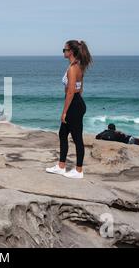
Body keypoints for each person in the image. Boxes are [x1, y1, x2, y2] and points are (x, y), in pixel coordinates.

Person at [46, 40, 93, 179]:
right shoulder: (78, 66)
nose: (63, 52)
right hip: (77, 103)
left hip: (74, 104)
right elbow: (81, 88)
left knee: (77, 138)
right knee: (62, 134)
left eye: (64, 50)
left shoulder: (73, 68)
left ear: (71, 52)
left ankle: (79, 171)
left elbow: (71, 92)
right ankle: (61, 166)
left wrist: (65, 111)